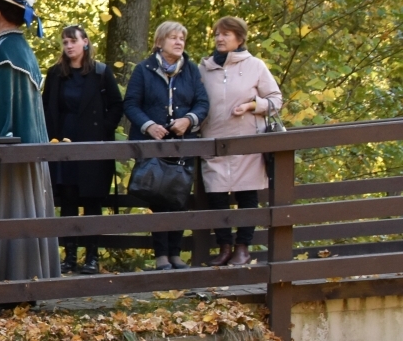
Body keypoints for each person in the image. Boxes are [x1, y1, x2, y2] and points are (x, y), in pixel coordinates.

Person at [0, 0, 61, 282]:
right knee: (30, 212)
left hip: (6, 157)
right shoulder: (25, 52)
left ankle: (5, 281)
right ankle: (33, 278)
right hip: (32, 153)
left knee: (7, 214)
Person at [123, 20, 210, 270]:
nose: (179, 42)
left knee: (178, 197)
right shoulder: (144, 69)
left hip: (183, 145)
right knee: (157, 198)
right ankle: (161, 255)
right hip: (153, 146)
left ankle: (175, 254)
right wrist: (148, 125)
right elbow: (130, 104)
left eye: (182, 38)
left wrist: (188, 120)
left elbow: (202, 103)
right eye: (173, 37)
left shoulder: (191, 71)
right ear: (160, 42)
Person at [199, 16, 283, 267]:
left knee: (247, 195)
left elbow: (276, 100)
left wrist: (251, 106)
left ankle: (242, 249)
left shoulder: (255, 66)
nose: (219, 38)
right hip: (213, 142)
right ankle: (224, 247)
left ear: (240, 38)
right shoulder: (204, 67)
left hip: (246, 143)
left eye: (226, 34)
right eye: (217, 34)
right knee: (216, 196)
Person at [41, 24, 124, 275]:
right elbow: (46, 108)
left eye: (73, 41)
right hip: (63, 143)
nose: (68, 46)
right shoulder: (56, 74)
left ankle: (92, 257)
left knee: (91, 201)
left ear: (85, 42)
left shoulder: (100, 73)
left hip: (93, 144)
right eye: (65, 42)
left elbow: (116, 105)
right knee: (68, 200)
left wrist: (103, 132)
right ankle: (69, 256)